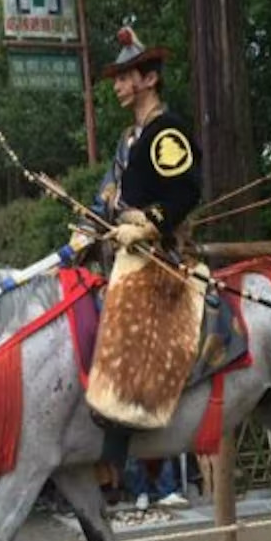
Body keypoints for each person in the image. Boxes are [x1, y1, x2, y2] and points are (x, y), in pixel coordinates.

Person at [85, 26, 203, 467]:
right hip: (121, 247)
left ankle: (127, 417)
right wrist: (84, 228)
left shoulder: (167, 131)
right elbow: (106, 193)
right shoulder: (127, 139)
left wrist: (148, 226)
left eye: (124, 76)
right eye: (116, 78)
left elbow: (185, 193)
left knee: (128, 311)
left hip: (161, 250)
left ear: (149, 79)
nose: (116, 85)